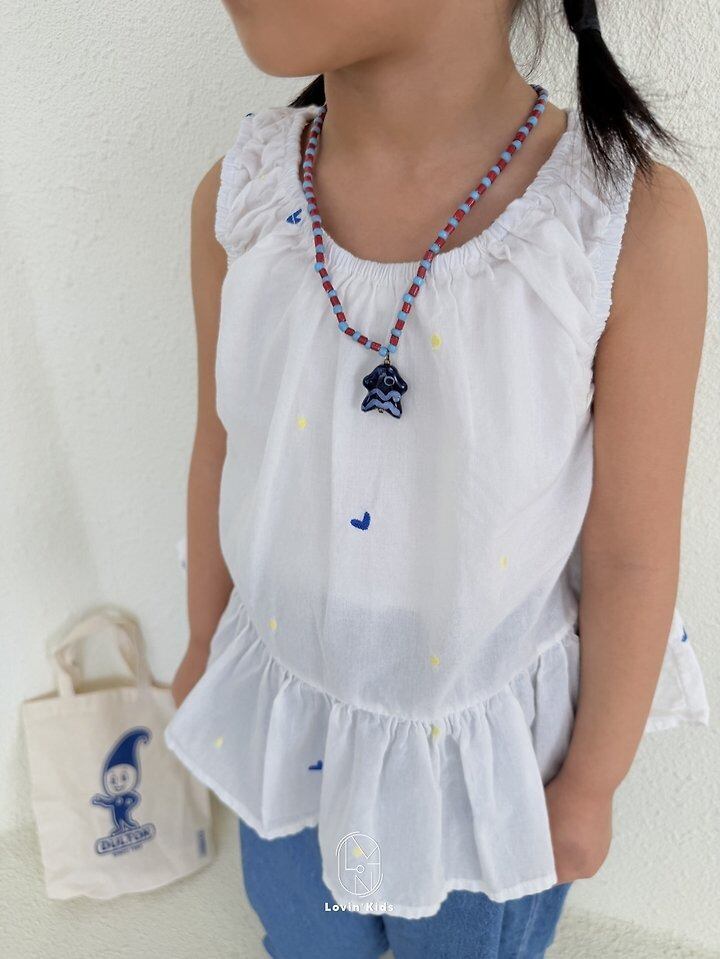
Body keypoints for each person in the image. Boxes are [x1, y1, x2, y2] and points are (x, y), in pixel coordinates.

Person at [164, 0, 710, 954]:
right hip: (288, 723)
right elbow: (224, 444)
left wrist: (592, 781)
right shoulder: (242, 197)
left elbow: (629, 552)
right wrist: (206, 642)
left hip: (482, 776)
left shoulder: (619, 227)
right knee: (306, 936)